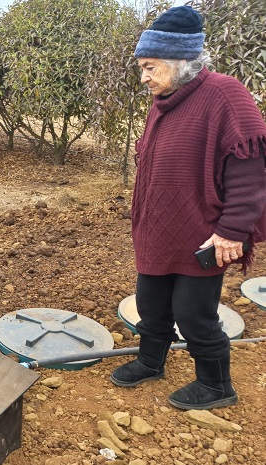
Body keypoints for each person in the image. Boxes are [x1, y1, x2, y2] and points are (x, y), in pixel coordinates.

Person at [110, 6, 266, 410]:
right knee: (151, 303)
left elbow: (250, 168)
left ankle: (216, 386)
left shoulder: (225, 94)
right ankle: (150, 361)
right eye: (141, 67)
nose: (143, 77)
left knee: (194, 314)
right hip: (158, 230)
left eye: (149, 66)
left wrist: (233, 230)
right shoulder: (165, 101)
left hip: (204, 231)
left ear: (181, 61)